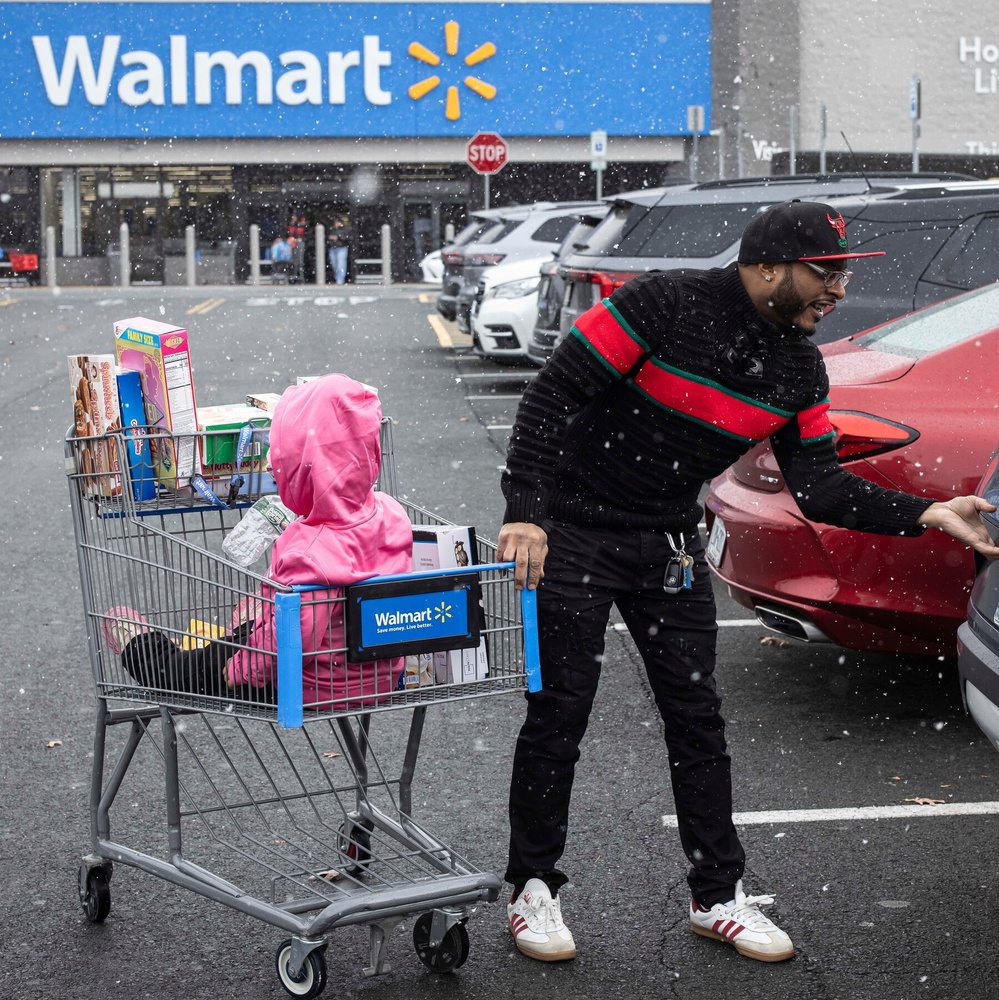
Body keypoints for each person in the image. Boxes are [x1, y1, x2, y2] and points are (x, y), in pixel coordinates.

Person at [496, 200, 999, 965]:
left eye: (838, 276)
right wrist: (526, 513)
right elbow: (549, 397)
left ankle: (717, 897)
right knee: (559, 715)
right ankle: (533, 886)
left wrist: (928, 510)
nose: (835, 291)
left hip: (664, 544)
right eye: (823, 274)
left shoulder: (800, 367)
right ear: (768, 267)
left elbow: (823, 488)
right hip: (573, 535)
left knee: (696, 722)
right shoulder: (658, 304)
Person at [105, 374, 413, 709]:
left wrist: (238, 671)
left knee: (176, 672)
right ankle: (252, 621)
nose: (270, 465)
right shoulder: (391, 513)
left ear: (302, 467)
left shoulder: (310, 552)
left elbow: (294, 641)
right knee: (270, 614)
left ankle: (133, 638)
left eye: (278, 458)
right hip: (377, 676)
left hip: (306, 684)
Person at [328, 215, 351, 285]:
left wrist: (338, 237)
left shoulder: (344, 229)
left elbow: (347, 238)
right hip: (333, 248)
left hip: (341, 248)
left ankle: (340, 279)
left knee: (341, 264)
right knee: (334, 264)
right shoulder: (332, 229)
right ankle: (338, 277)